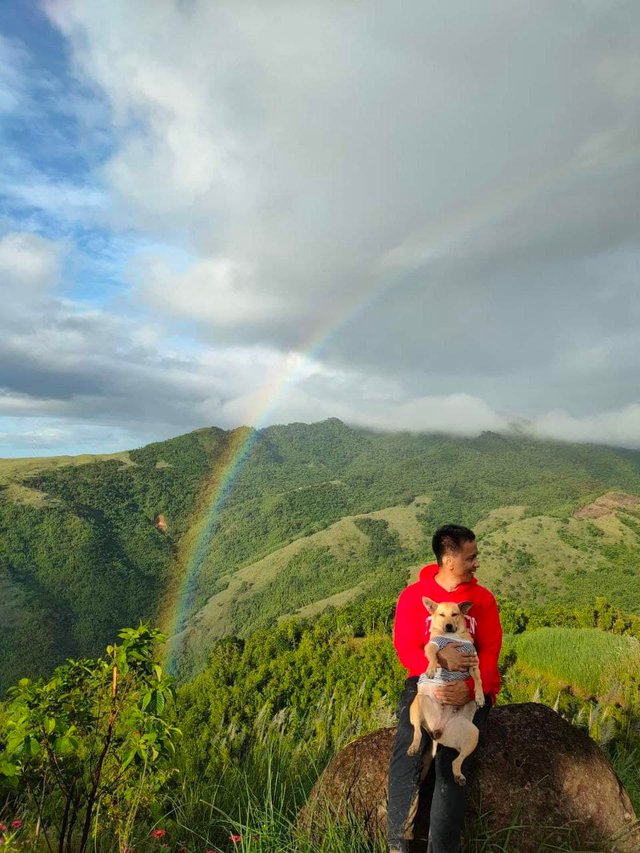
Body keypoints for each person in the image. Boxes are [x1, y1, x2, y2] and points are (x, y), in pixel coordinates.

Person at [387, 524, 502, 853]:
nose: (476, 563)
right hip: (427, 683)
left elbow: (491, 652)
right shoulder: (413, 597)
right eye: (471, 557)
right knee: (409, 748)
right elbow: (406, 648)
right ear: (449, 560)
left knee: (450, 765)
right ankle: (398, 844)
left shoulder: (481, 600)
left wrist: (469, 688)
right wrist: (439, 663)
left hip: (467, 691)